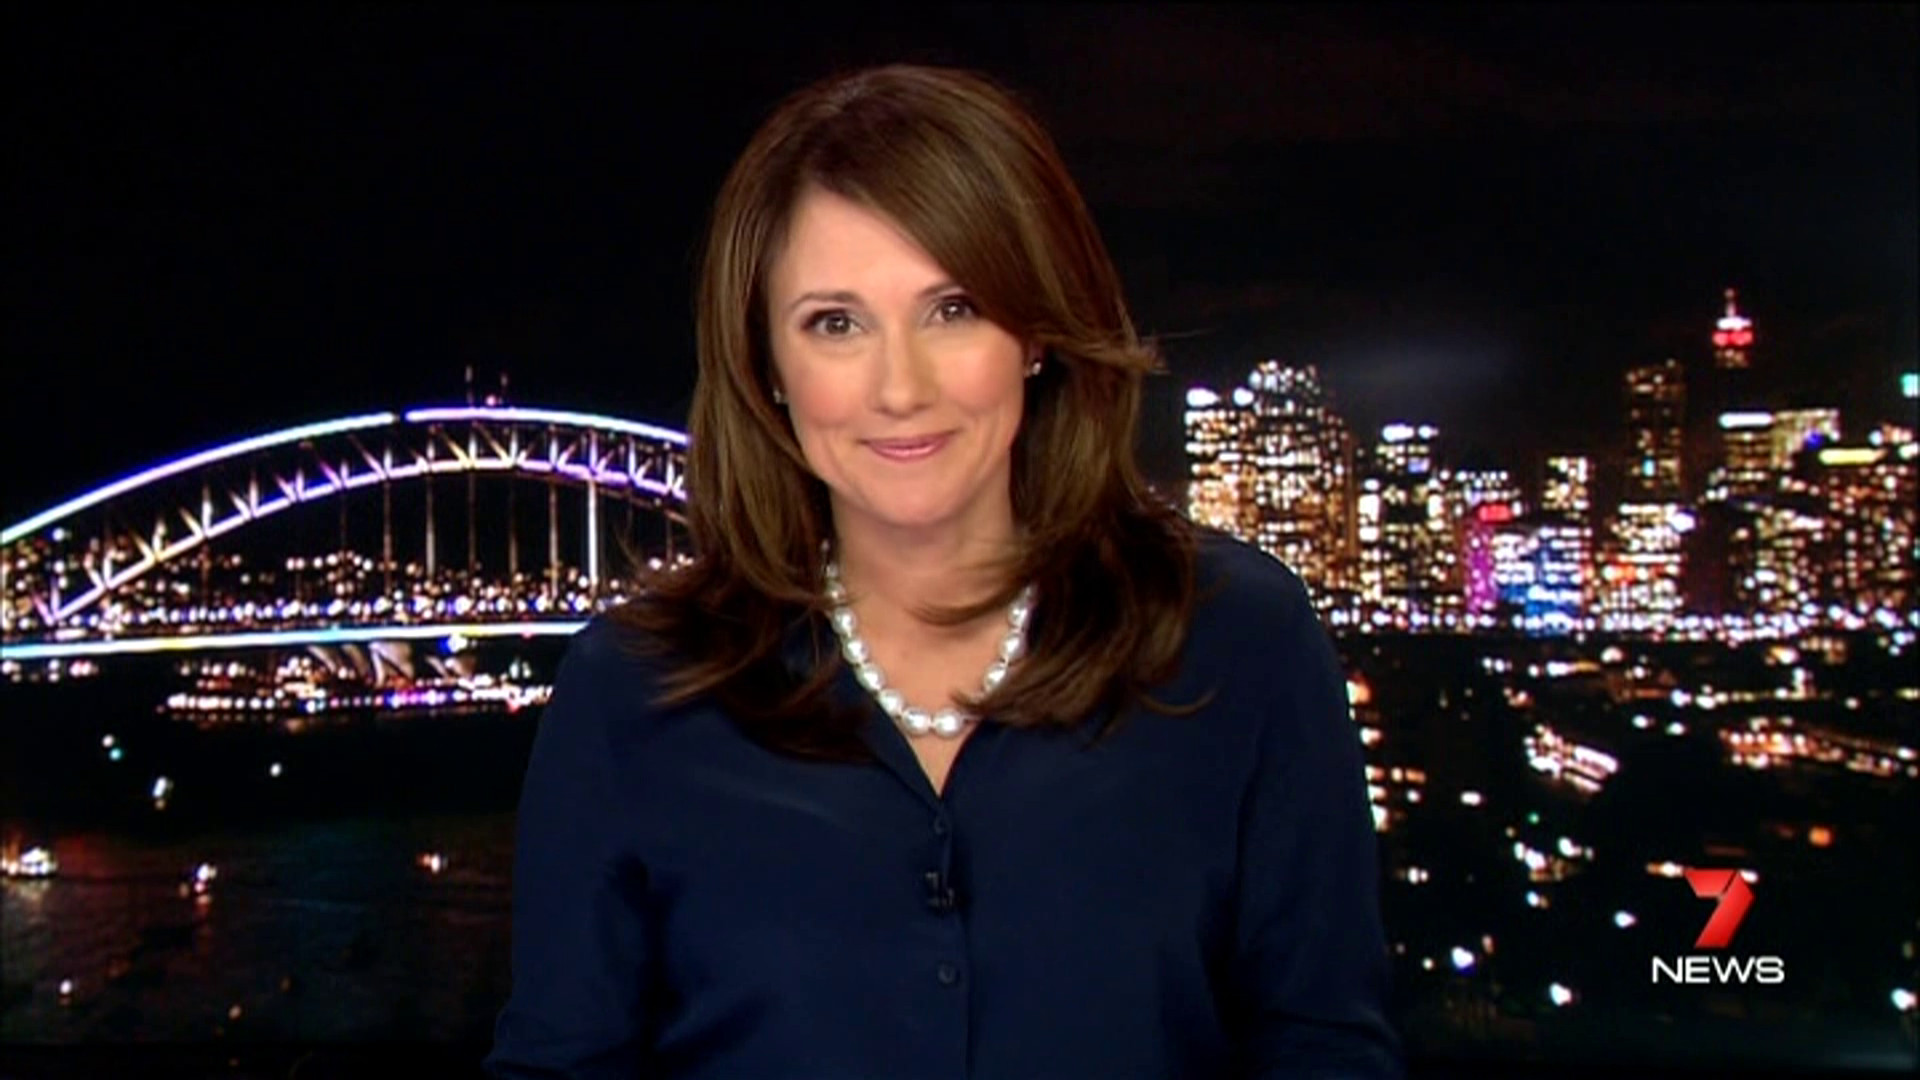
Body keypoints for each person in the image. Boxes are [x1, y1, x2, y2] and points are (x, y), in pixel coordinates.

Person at [485, 63, 1402, 1079]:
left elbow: (1326, 1046)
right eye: (836, 324)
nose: (900, 388)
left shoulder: (1239, 638)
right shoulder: (633, 688)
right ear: (767, 366)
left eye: (954, 308)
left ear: (1035, 334)